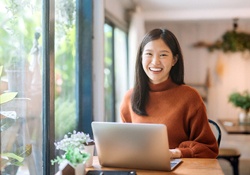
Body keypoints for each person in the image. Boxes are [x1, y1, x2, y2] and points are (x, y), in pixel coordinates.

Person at [120, 28, 218, 158]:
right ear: (141, 58)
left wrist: (177, 153)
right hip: (139, 167)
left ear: (174, 60)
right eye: (149, 54)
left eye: (163, 55)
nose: (155, 62)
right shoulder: (130, 97)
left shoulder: (190, 97)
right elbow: (124, 144)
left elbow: (209, 149)